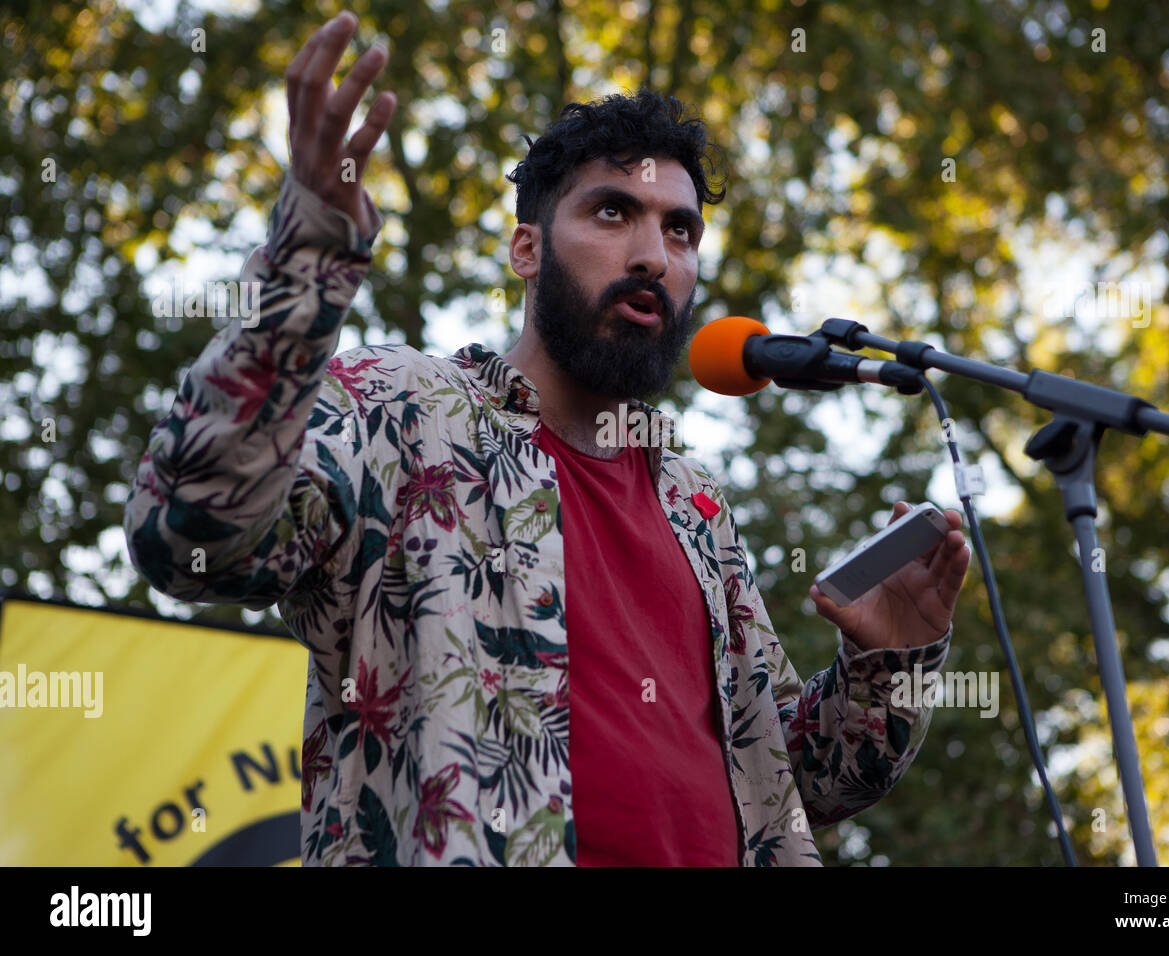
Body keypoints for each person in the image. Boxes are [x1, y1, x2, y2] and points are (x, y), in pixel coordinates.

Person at [123, 11, 971, 866]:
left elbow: (794, 783)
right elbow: (193, 533)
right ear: (526, 249)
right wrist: (308, 250)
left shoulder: (696, 504)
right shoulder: (401, 409)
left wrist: (887, 661)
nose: (653, 255)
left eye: (680, 230)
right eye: (613, 212)